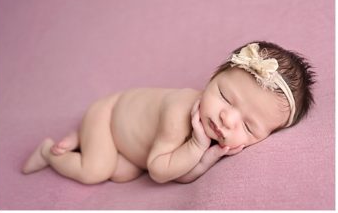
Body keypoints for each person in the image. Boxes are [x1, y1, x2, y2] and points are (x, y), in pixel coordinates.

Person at [22, 42, 315, 184]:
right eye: (225, 96)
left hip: (131, 141)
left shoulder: (214, 130)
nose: (228, 119)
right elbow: (160, 171)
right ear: (211, 79)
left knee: (122, 173)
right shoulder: (180, 113)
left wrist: (207, 159)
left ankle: (83, 138)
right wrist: (198, 146)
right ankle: (50, 151)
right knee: (95, 171)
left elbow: (182, 175)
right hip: (110, 114)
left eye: (249, 127)